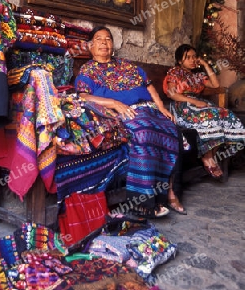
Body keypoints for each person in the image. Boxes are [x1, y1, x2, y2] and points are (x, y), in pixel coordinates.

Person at [74, 26, 186, 217]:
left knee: (173, 131)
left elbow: (149, 87)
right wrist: (114, 103)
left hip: (148, 109)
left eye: (108, 39)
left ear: (113, 45)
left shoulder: (127, 65)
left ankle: (169, 192)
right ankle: (144, 202)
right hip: (125, 113)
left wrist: (161, 107)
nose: (104, 42)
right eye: (99, 39)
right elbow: (83, 96)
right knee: (143, 133)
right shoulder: (88, 70)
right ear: (90, 47)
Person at [163, 44, 245, 179]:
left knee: (226, 113)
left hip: (198, 105)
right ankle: (207, 157)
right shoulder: (175, 72)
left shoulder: (198, 76)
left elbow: (216, 85)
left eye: (194, 57)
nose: (192, 60)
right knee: (212, 115)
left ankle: (210, 155)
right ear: (179, 61)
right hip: (182, 107)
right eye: (188, 57)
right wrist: (194, 102)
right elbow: (172, 94)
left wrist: (206, 65)